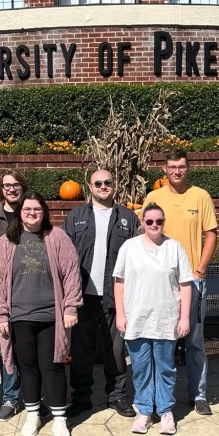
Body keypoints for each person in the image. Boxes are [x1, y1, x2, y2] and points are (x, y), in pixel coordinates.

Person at [0, 192, 82, 436]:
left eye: (37, 209)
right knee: (27, 367)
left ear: (44, 212)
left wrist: (71, 307)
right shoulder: (7, 241)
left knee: (53, 366)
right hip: (19, 316)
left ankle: (59, 419)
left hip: (51, 316)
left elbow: (72, 273)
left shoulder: (57, 237)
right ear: (20, 213)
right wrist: (0, 314)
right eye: (27, 209)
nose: (32, 213)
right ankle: (33, 414)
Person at [142, 151, 218, 415]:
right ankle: (161, 397)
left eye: (181, 167)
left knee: (194, 341)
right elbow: (147, 234)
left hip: (192, 281)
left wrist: (200, 270)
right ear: (164, 169)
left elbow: (211, 234)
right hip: (161, 282)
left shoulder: (201, 196)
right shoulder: (154, 198)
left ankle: (198, 394)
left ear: (189, 168)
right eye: (172, 167)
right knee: (162, 341)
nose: (177, 171)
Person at [62, 169, 138, 417]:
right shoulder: (75, 217)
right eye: (98, 183)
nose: (103, 186)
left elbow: (138, 257)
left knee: (115, 351)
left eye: (107, 182)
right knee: (81, 351)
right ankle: (81, 397)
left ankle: (116, 396)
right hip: (82, 296)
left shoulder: (127, 217)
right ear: (90, 186)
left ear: (113, 185)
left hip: (115, 297)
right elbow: (63, 256)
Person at [113, 203, 192, 434]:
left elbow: (185, 284)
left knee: (166, 368)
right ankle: (145, 411)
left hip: (166, 319)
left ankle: (165, 411)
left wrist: (184, 318)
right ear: (143, 223)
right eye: (149, 221)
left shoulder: (174, 247)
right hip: (136, 319)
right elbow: (119, 282)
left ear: (164, 222)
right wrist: (120, 314)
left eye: (159, 221)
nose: (154, 225)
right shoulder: (129, 247)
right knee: (140, 368)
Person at [0, 169, 28, 421]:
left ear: (23, 187)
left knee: (31, 347)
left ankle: (34, 395)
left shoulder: (32, 211)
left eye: (16, 185)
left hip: (29, 290)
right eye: (7, 186)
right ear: (1, 189)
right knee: (7, 345)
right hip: (2, 292)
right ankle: (10, 397)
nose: (11, 189)